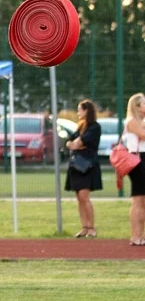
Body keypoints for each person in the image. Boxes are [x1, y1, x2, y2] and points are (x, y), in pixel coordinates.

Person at [65, 99, 102, 238]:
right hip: (76, 165)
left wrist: (77, 144)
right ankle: (84, 227)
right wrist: (75, 144)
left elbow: (81, 142)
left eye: (80, 109)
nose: (78, 112)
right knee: (78, 197)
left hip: (87, 165)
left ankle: (91, 227)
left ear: (87, 111)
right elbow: (70, 142)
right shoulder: (80, 127)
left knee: (84, 196)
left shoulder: (95, 127)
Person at [123, 92, 145, 245]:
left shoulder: (140, 121)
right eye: (143, 103)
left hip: (142, 159)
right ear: (137, 107)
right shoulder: (132, 121)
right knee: (138, 199)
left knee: (142, 201)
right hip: (138, 161)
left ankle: (139, 235)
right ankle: (135, 236)